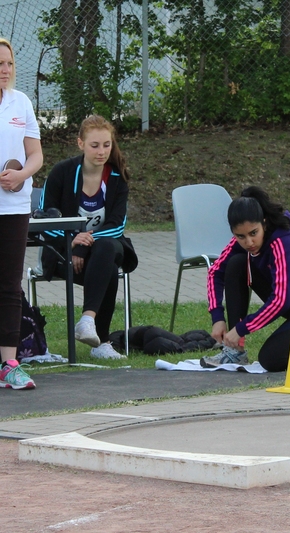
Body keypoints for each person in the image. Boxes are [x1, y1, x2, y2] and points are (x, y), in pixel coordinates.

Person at [204, 186, 290, 370]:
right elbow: (215, 272)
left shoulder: (284, 241)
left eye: (253, 233)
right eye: (240, 236)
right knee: (237, 263)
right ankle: (235, 351)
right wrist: (217, 317)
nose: (249, 242)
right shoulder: (244, 241)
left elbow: (280, 301)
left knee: (271, 360)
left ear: (264, 223)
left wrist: (240, 329)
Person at [41, 115, 138, 360]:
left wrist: (82, 247)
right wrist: (71, 242)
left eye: (107, 145)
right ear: (80, 144)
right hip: (63, 253)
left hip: (100, 251)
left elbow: (117, 226)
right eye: (95, 145)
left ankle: (87, 320)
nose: (101, 151)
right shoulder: (61, 172)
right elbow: (44, 221)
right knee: (109, 268)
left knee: (107, 248)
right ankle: (101, 342)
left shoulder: (117, 177)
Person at [0, 38, 42, 389]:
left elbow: (35, 155)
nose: (5, 69)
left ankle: (9, 364)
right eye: (0, 63)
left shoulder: (21, 102)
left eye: (9, 63)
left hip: (14, 207)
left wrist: (21, 175)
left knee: (10, 285)